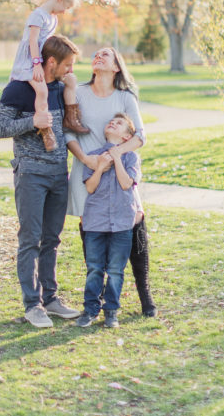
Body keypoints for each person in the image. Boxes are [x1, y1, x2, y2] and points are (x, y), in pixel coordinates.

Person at [0, 34, 83, 328]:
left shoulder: (60, 88)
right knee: (30, 239)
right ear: (51, 62)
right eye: (68, 65)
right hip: (30, 174)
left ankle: (51, 299)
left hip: (59, 174)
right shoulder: (19, 88)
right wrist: (32, 122)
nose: (71, 70)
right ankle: (33, 305)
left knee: (52, 240)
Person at [65, 46, 156, 317]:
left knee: (135, 220)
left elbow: (140, 137)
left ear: (117, 66)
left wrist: (116, 154)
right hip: (89, 171)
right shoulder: (79, 93)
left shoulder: (125, 97)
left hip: (118, 170)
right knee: (90, 227)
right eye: (96, 54)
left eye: (106, 54)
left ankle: (145, 293)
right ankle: (99, 296)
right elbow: (68, 131)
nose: (98, 56)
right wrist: (88, 159)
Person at [75, 113, 141, 328]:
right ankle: (90, 310)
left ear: (126, 137)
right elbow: (90, 187)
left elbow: (125, 184)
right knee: (94, 268)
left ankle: (111, 310)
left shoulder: (131, 157)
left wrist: (117, 158)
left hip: (122, 223)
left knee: (115, 270)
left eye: (119, 123)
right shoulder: (93, 156)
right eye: (111, 121)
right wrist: (101, 167)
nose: (112, 123)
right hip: (96, 221)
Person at [8, 0, 89, 152]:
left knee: (68, 84)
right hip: (28, 63)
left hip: (41, 61)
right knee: (42, 91)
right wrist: (37, 64)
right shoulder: (38, 15)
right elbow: (32, 41)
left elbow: (50, 44)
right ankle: (45, 129)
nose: (64, 11)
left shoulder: (53, 18)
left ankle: (71, 119)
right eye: (65, 6)